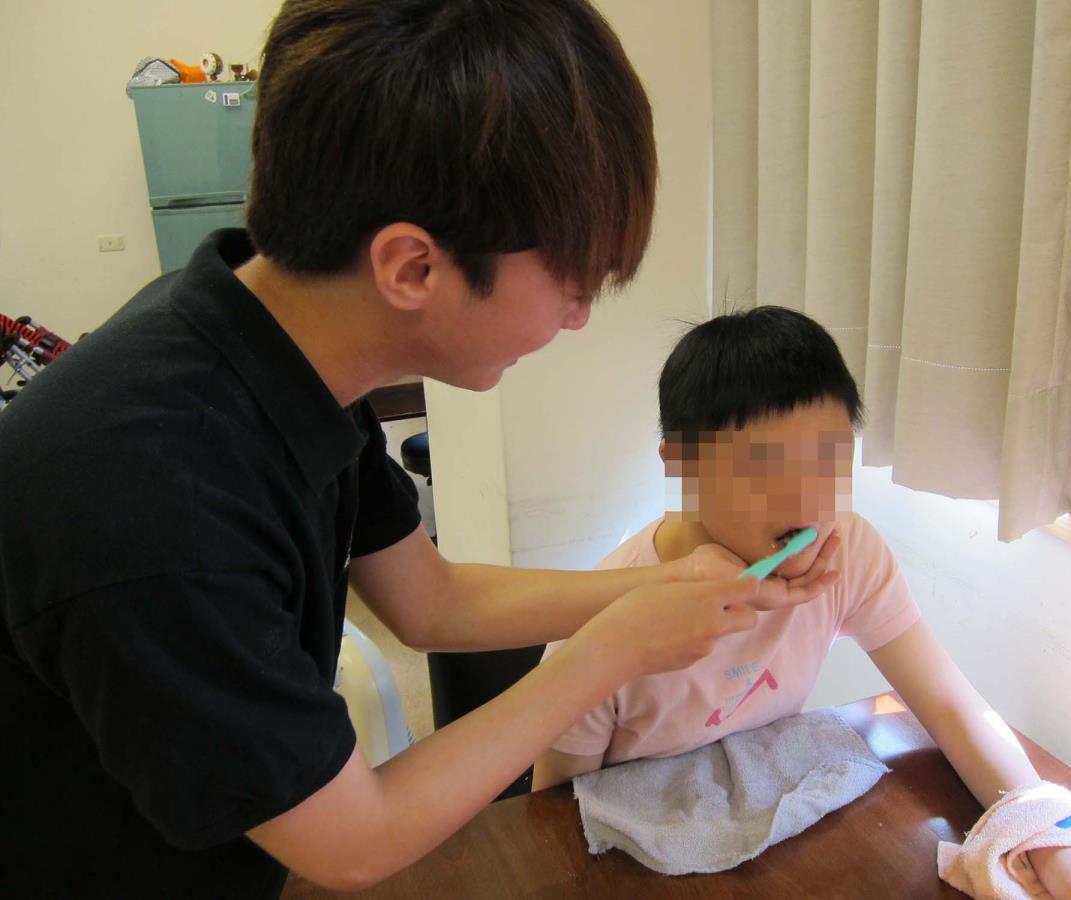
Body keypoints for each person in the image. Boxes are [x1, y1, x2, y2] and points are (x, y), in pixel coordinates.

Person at [0, 3, 829, 896]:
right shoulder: (158, 493)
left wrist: (669, 588)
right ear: (412, 267)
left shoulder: (270, 344)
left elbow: (431, 601)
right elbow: (354, 841)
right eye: (571, 282)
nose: (579, 318)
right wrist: (610, 652)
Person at [533, 306, 1071, 900]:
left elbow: (950, 705)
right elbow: (558, 811)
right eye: (765, 470)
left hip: (769, 847)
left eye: (827, 463)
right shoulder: (607, 620)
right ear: (682, 465)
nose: (806, 502)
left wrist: (1051, 837)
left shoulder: (847, 552)